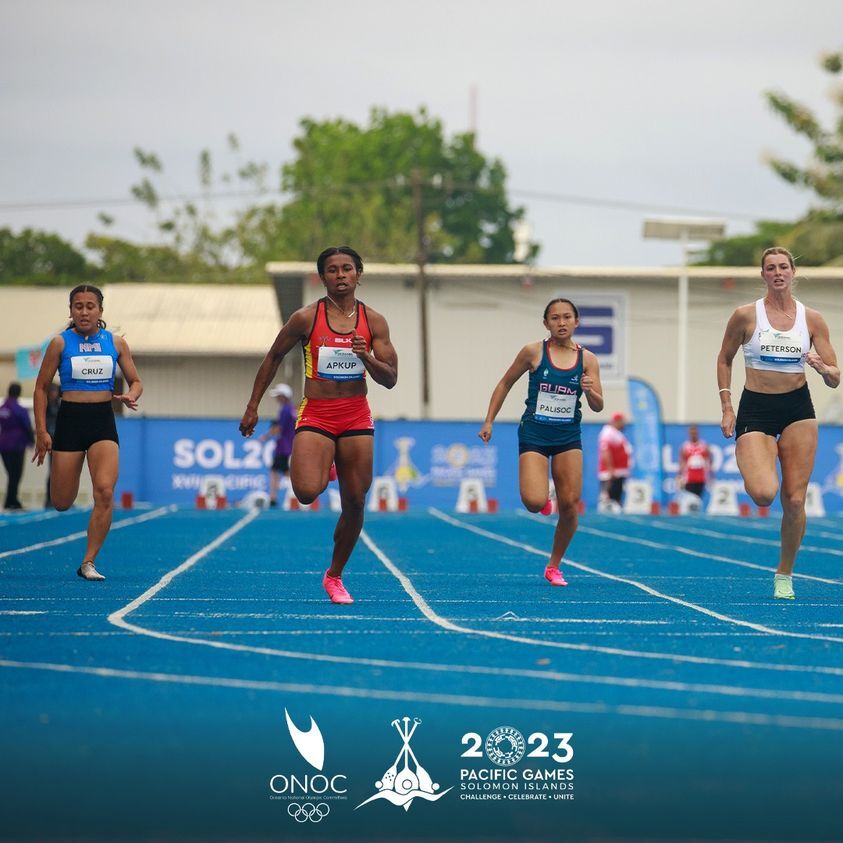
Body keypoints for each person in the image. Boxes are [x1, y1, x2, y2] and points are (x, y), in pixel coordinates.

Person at [239, 246, 398, 605]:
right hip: (318, 414)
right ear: (322, 277)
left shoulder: (374, 322)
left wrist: (366, 356)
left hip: (356, 414)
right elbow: (274, 357)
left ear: (359, 274)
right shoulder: (306, 318)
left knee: (356, 501)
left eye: (347, 269)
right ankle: (323, 462)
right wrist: (252, 406)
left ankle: (335, 576)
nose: (340, 275)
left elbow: (390, 379)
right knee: (307, 493)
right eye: (332, 270)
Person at [717, 247, 839, 599]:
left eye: (783, 266)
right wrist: (727, 406)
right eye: (771, 268)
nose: (778, 272)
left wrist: (823, 368)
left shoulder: (812, 319)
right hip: (755, 407)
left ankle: (784, 574)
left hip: (798, 408)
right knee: (763, 493)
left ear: (793, 272)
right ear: (763, 275)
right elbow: (724, 359)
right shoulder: (745, 315)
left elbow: (834, 377)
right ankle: (756, 449)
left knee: (795, 501)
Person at [479, 298, 604, 586]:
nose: (561, 323)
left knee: (571, 505)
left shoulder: (588, 360)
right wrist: (489, 420)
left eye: (567, 317)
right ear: (546, 323)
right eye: (555, 318)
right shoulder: (533, 352)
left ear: (576, 322)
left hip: (568, 436)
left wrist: (590, 391)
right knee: (533, 502)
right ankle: (544, 499)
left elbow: (598, 405)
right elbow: (505, 383)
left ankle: (554, 565)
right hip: (535, 433)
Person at [32, 284, 143, 581]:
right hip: (69, 421)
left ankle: (88, 561)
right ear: (71, 311)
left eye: (90, 306)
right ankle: (85, 554)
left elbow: (135, 380)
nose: (84, 311)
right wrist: (42, 431)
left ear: (100, 311)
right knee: (62, 501)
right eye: (78, 306)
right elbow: (41, 388)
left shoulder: (116, 343)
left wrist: (132, 394)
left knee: (105, 492)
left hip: (102, 422)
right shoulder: (59, 343)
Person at [259, 383, 296, 507]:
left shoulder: (285, 410)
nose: (277, 398)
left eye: (279, 396)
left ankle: (274, 498)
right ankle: (290, 497)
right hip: (290, 445)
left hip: (283, 447)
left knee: (276, 472)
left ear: (284, 396)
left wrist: (265, 436)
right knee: (286, 472)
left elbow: (279, 428)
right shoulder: (291, 409)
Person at [0, 382, 35, 510]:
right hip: (16, 445)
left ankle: (11, 499)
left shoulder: (2, 408)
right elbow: (27, 426)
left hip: (3, 445)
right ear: (19, 393)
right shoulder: (19, 409)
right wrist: (32, 441)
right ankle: (12, 500)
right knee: (16, 474)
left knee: (11, 474)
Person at [597, 411, 632, 510]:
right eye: (622, 422)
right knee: (610, 499)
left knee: (616, 499)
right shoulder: (608, 433)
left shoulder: (616, 433)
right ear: (617, 421)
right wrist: (610, 470)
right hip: (613, 473)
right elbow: (605, 451)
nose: (624, 424)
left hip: (619, 472)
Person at [677, 424, 712, 499]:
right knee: (689, 499)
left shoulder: (704, 445)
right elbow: (681, 463)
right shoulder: (685, 446)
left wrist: (711, 477)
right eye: (691, 432)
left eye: (695, 432)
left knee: (698, 499)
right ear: (689, 433)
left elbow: (709, 462)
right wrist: (679, 477)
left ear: (697, 432)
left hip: (701, 479)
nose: (693, 434)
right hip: (689, 479)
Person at [44, 382, 61, 507]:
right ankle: (49, 498)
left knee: (62, 470)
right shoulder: (45, 406)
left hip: (60, 439)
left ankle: (61, 497)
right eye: (52, 392)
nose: (54, 394)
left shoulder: (59, 405)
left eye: (56, 392)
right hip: (51, 440)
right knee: (53, 470)